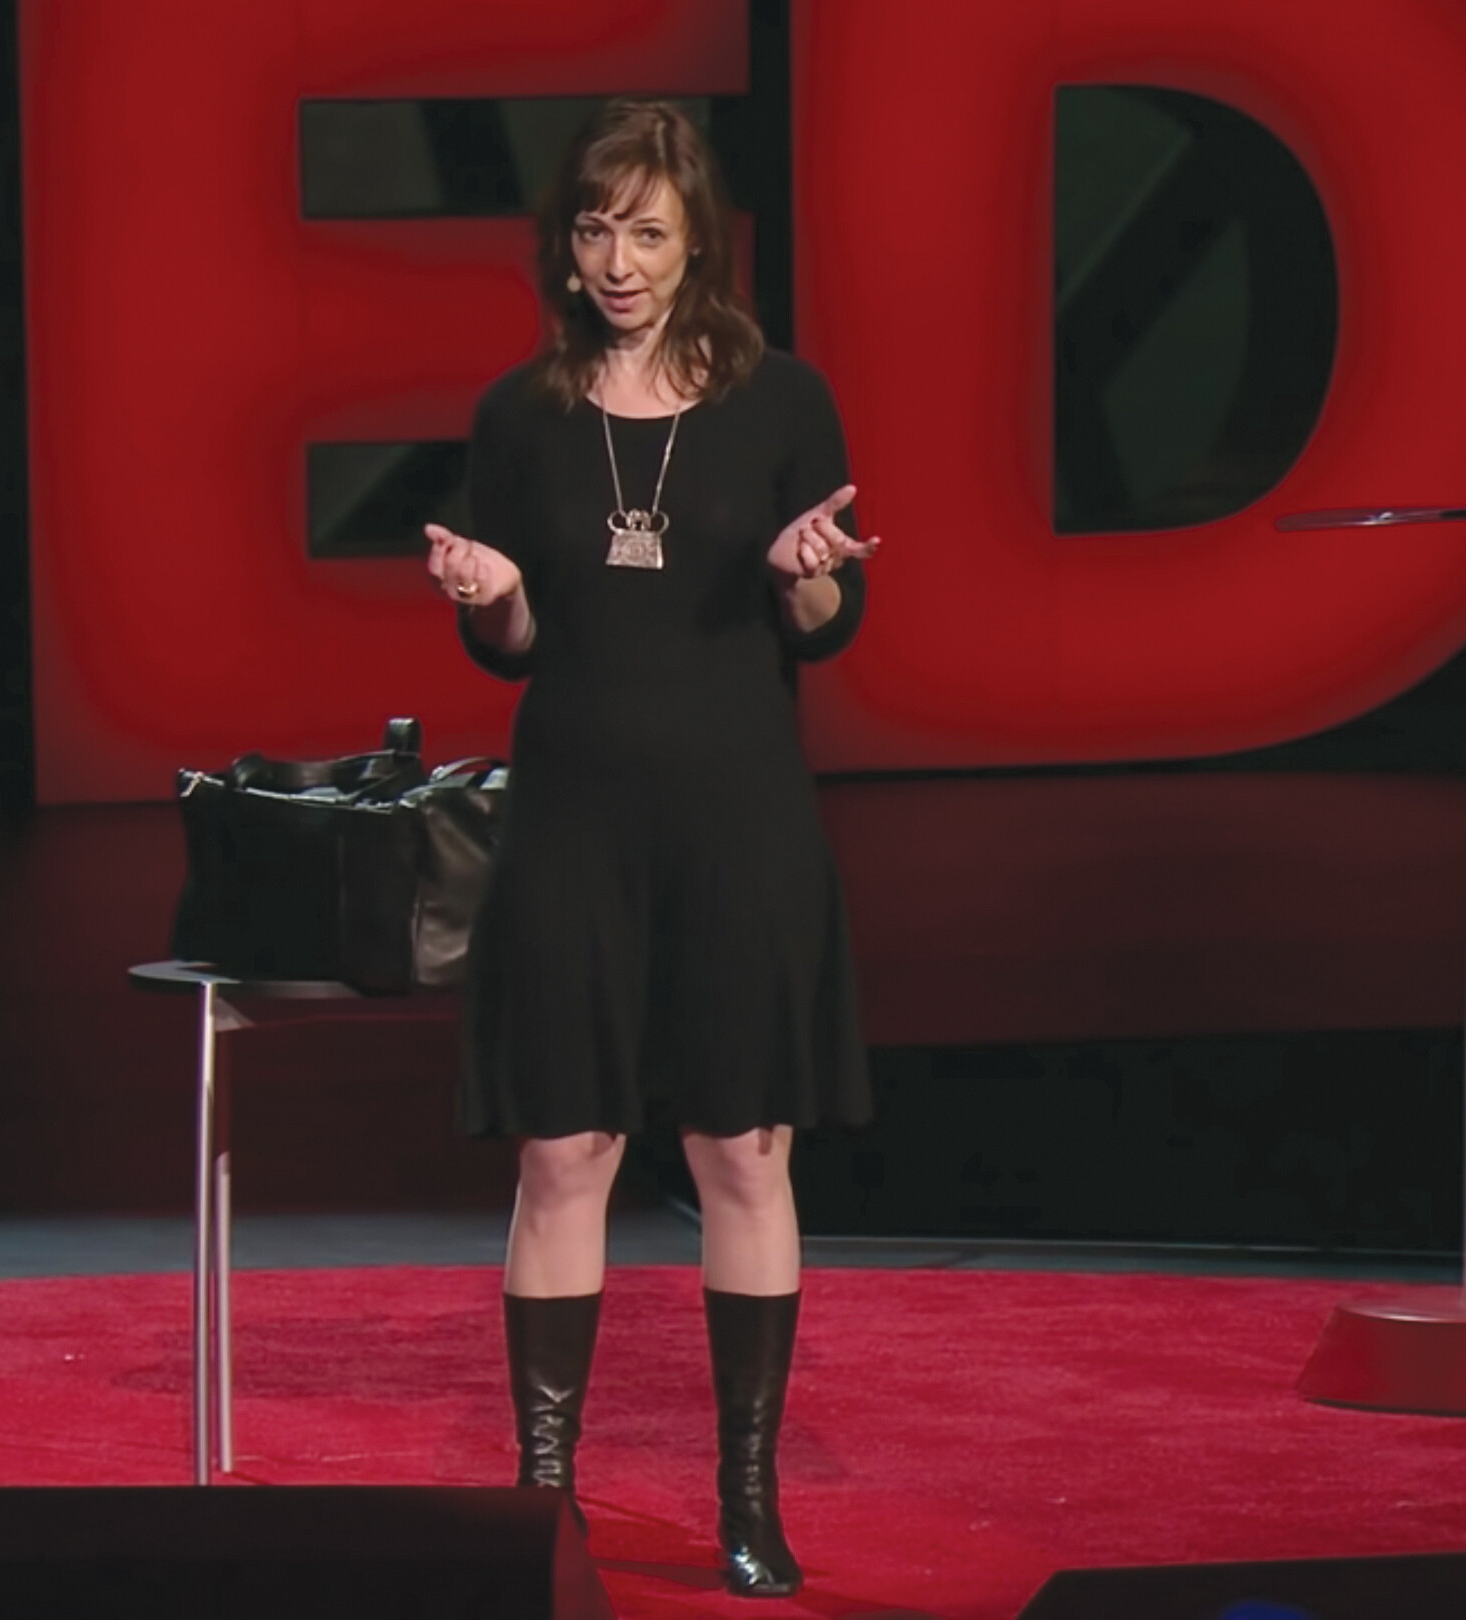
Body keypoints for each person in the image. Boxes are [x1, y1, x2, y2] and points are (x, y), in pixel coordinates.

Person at [420, 100, 878, 1599]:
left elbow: (834, 622)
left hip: (740, 819)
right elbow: (517, 646)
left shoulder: (782, 400)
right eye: (595, 230)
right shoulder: (519, 415)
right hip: (572, 822)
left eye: (649, 232)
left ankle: (747, 1499)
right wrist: (490, 593)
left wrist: (805, 579)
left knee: (743, 1145)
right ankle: (541, 1511)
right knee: (567, 1149)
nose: (618, 261)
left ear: (704, 244)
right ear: (564, 242)